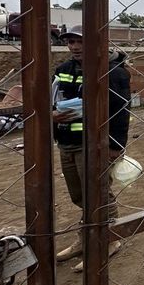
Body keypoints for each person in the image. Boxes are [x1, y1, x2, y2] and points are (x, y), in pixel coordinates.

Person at [52, 25, 131, 271]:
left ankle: (109, 239)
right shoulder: (63, 70)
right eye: (70, 42)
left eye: (80, 42)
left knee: (98, 193)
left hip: (95, 144)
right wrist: (53, 116)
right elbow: (52, 99)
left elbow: (121, 112)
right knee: (79, 195)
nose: (74, 47)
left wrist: (115, 146)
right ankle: (85, 238)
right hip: (67, 141)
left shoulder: (112, 72)